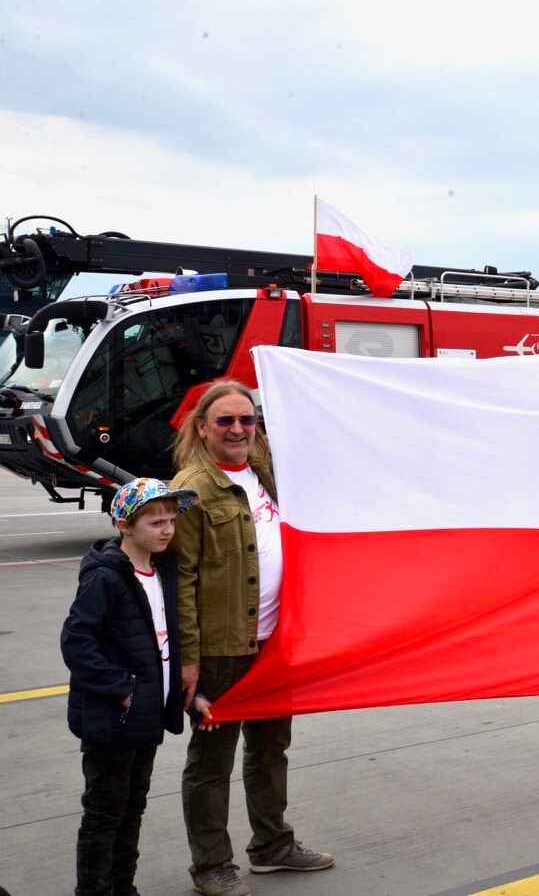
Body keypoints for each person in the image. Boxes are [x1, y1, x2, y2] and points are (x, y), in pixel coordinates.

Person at [171, 380, 333, 896]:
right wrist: (189, 659)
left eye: (248, 419)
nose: (238, 429)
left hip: (274, 642)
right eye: (225, 420)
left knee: (270, 748)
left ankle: (271, 845)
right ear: (202, 428)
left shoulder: (265, 474)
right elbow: (182, 580)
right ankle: (211, 866)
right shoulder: (191, 489)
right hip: (222, 648)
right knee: (211, 763)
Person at [61, 477, 200, 896]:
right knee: (104, 812)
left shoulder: (162, 572)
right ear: (124, 525)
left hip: (144, 715)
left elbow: (162, 644)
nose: (168, 530)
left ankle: (123, 887)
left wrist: (184, 694)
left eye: (172, 520)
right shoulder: (106, 577)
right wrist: (123, 690)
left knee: (132, 807)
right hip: (112, 718)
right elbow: (77, 641)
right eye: (156, 522)